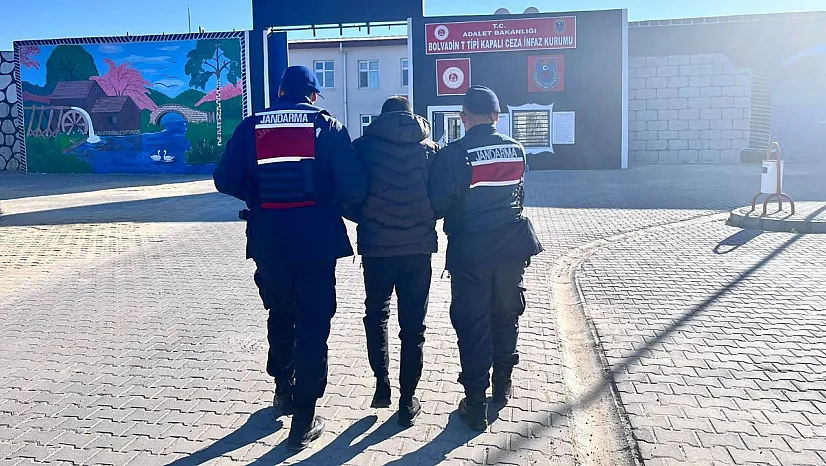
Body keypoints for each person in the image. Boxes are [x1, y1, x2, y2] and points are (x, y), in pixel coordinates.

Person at [212, 65, 369, 451]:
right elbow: (354, 187)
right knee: (314, 323)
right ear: (313, 95)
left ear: (280, 92)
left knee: (281, 314)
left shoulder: (252, 126)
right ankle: (304, 418)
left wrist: (259, 197)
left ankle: (283, 388)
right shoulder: (327, 127)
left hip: (269, 240)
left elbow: (224, 179)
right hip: (316, 240)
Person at [428, 85, 543, 431]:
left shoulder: (455, 153)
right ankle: (503, 385)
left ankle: (475, 401)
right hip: (511, 250)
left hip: (470, 253)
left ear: (464, 118)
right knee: (506, 315)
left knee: (472, 322)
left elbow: (438, 203)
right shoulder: (516, 149)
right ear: (496, 117)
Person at [352, 96, 438, 427]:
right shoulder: (429, 148)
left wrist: (363, 217)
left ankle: (382, 383)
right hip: (417, 249)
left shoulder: (363, 148)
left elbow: (351, 192)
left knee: (376, 315)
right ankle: (407, 400)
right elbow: (440, 194)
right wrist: (429, 215)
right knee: (413, 327)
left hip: (377, 248)